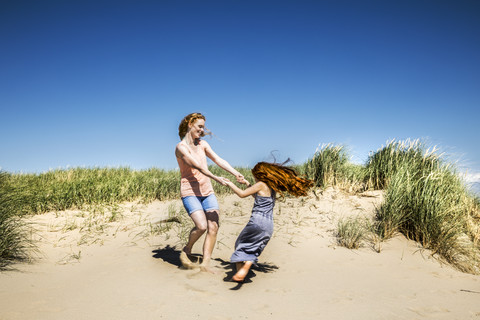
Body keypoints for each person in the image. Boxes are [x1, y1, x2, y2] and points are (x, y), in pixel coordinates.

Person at [175, 112, 245, 272]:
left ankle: (205, 263)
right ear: (190, 124)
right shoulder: (181, 147)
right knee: (201, 226)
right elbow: (197, 166)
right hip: (190, 191)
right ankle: (188, 248)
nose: (202, 130)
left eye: (203, 127)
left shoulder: (203, 144)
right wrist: (217, 178)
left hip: (207, 191)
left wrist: (235, 173)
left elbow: (218, 159)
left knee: (213, 226)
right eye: (199, 126)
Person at [222, 161, 313, 282]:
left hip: (257, 220)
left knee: (240, 244)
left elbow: (242, 194)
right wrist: (247, 183)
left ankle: (241, 272)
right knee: (254, 247)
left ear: (260, 175)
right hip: (268, 224)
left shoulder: (260, 184)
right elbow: (256, 196)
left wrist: (229, 184)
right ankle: (247, 264)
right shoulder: (271, 187)